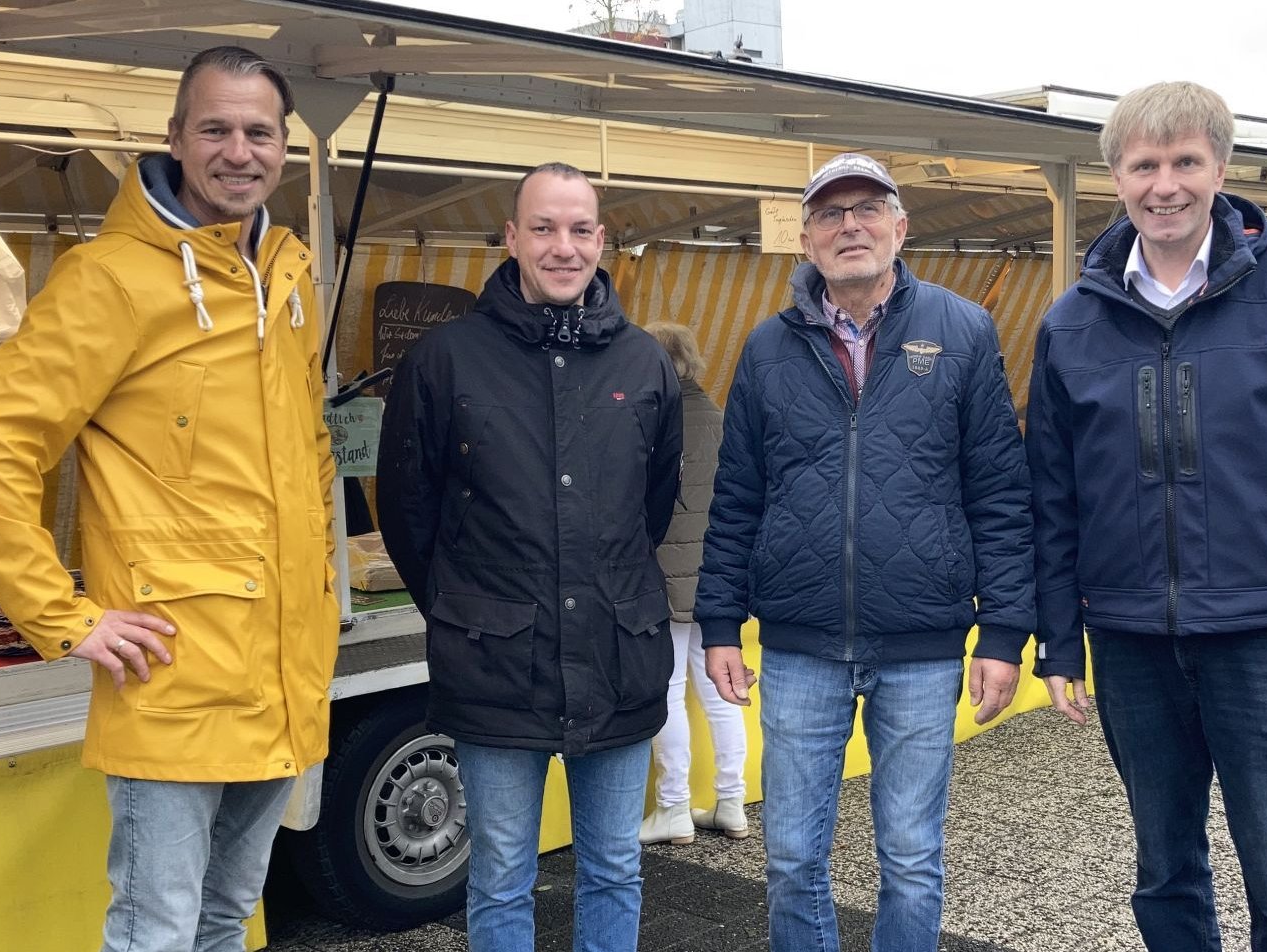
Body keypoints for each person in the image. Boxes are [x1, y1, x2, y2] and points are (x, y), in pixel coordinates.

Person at [0, 46, 337, 952]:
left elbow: (308, 450)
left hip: (282, 676)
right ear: (174, 139)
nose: (239, 151)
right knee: (156, 931)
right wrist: (64, 617)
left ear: (284, 148)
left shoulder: (286, 273)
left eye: (259, 132)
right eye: (216, 130)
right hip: (173, 680)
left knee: (227, 920)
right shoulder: (109, 278)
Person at [1025, 81, 1267, 952]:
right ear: (1115, 176)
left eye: (1186, 161)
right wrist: (1056, 637)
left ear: (1220, 168)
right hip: (1130, 639)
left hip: (1265, 637)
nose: (1166, 185)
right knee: (1163, 870)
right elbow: (1052, 493)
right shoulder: (1072, 323)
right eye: (1144, 164)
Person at [695, 152, 1035, 952]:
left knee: (912, 860)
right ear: (805, 240)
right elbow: (737, 493)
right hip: (800, 646)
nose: (850, 225)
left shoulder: (961, 329)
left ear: (900, 225)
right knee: (788, 859)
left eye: (867, 208)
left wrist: (1005, 631)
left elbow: (999, 493)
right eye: (829, 213)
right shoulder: (766, 349)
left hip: (922, 646)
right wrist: (717, 621)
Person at [376, 161, 683, 952]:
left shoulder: (644, 363)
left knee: (614, 865)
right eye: (543, 227)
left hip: (617, 658)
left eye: (579, 229)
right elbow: (409, 515)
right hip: (494, 668)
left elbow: (647, 510)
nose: (562, 246)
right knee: (503, 872)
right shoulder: (444, 361)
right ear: (510, 236)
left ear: (602, 239)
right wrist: (473, 609)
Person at [636, 322, 750, 847]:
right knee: (722, 691)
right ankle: (732, 802)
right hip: (720, 579)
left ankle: (674, 808)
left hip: (664, 579)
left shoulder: (651, 421)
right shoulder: (720, 417)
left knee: (669, 690)